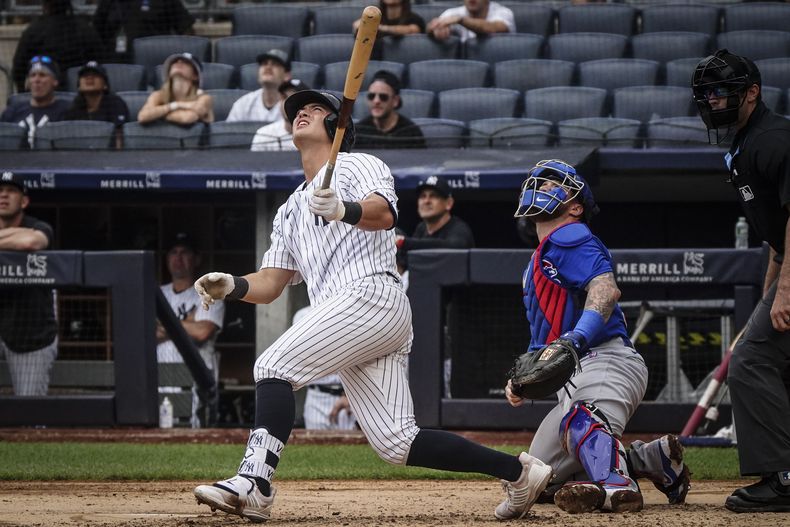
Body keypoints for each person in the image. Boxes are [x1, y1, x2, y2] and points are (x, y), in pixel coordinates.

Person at [192, 89, 554, 522]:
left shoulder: (358, 164)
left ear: (336, 126)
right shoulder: (288, 210)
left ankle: (255, 483)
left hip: (371, 295)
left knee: (273, 366)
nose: (302, 113)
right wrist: (232, 285)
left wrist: (342, 209)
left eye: (315, 109)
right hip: (349, 317)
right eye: (297, 111)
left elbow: (383, 214)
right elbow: (270, 285)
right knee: (397, 442)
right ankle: (519, 472)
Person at [503, 159, 690, 515]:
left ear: (575, 207)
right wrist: (523, 380)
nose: (544, 187)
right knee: (539, 479)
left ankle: (618, 484)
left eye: (554, 185)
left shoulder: (570, 235)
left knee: (580, 420)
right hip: (577, 373)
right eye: (542, 184)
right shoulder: (539, 259)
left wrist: (575, 340)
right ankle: (653, 460)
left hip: (604, 358)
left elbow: (605, 290)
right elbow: (545, 334)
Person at [692, 49, 790, 513]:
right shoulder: (744, 145)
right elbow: (776, 238)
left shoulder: (775, 139)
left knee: (749, 361)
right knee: (772, 359)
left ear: (752, 93)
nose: (713, 100)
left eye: (722, 91)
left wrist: (785, 291)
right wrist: (769, 296)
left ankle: (783, 478)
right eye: (707, 93)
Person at [157, 232, 225, 428]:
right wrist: (188, 322)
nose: (178, 258)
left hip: (195, 380)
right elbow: (144, 333)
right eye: (173, 252)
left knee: (194, 434)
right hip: (160, 377)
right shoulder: (157, 294)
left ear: (197, 259)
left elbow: (202, 332)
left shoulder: (209, 293)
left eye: (185, 252)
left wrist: (163, 324)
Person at [0, 172, 58, 396]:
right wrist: (11, 238)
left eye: (11, 191)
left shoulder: (38, 226)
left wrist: (18, 236)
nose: (4, 196)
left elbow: (31, 242)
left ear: (24, 201)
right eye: (0, 191)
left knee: (29, 409)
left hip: (31, 334)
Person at [11, 0, 104, 93]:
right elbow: (101, 61)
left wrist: (23, 93)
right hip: (77, 93)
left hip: (60, 95)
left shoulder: (34, 31)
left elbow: (18, 67)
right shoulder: (85, 29)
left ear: (45, 5)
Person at [291, 306, 356, 430]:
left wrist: (349, 396)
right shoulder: (302, 315)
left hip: (351, 395)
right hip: (317, 396)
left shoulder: (352, 310)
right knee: (314, 442)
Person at [396, 175, 474, 271]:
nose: (426, 201)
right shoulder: (421, 228)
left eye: (433, 196)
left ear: (449, 203)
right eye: (422, 196)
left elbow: (452, 248)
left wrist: (404, 242)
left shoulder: (459, 228)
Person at [93, 0, 195, 63]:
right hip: (118, 65)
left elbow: (186, 30)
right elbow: (97, 32)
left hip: (154, 64)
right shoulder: (108, 2)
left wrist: (185, 62)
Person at [1, 56, 69, 148]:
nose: (37, 80)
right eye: (33, 75)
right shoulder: (12, 112)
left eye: (42, 75)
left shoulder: (67, 111)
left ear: (55, 81)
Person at [64, 61, 130, 147]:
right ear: (79, 86)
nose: (89, 77)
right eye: (85, 75)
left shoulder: (115, 103)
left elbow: (119, 138)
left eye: (95, 75)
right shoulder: (73, 108)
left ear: (105, 85)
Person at [354, 70, 425, 149]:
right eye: (371, 96)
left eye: (383, 97)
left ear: (395, 101)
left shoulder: (411, 132)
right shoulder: (358, 131)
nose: (376, 101)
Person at [137, 52, 213, 125]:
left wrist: (157, 114)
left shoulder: (203, 98)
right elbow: (143, 116)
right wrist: (176, 105)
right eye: (175, 62)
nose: (179, 62)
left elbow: (187, 118)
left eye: (186, 63)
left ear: (195, 76)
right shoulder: (158, 95)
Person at [227, 49, 291, 123]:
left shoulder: (293, 105)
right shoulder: (243, 104)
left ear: (287, 75)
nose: (268, 67)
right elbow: (229, 129)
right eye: (264, 63)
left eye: (275, 64)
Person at [250, 78, 309, 152]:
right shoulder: (263, 135)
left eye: (295, 98)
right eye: (284, 97)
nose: (288, 102)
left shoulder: (316, 136)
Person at [426, 0, 515, 43]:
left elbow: (492, 28)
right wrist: (434, 29)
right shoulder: (452, 13)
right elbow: (430, 27)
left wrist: (462, 20)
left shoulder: (504, 12)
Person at [353, 0, 425, 38]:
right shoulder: (375, 16)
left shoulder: (414, 18)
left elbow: (413, 30)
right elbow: (357, 25)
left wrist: (379, 28)